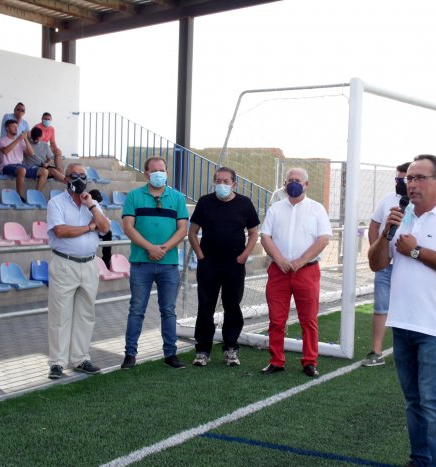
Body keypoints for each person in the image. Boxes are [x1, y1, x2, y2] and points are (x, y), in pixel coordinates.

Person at [368, 154, 436, 467]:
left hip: (434, 328)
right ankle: (419, 464)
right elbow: (376, 263)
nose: (411, 184)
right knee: (413, 401)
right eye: (409, 178)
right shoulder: (401, 218)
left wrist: (415, 251)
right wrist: (387, 232)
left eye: (419, 178)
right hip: (402, 323)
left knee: (433, 403)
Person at [259, 167, 333, 377]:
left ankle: (310, 361)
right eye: (290, 180)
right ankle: (276, 361)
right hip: (279, 271)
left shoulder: (317, 209)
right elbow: (265, 237)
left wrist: (301, 261)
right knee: (276, 319)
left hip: (307, 271)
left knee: (308, 320)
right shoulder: (275, 209)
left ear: (306, 184)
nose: (293, 183)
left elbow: (323, 239)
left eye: (298, 180)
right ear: (284, 184)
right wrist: (280, 260)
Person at [120, 156, 189, 370]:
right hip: (141, 263)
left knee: (168, 310)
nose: (159, 173)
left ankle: (170, 354)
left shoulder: (177, 198)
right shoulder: (134, 196)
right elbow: (128, 228)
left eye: (162, 170)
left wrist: (163, 249)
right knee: (136, 309)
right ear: (146, 174)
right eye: (154, 170)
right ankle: (130, 354)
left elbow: (183, 230)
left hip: (169, 265)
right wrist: (150, 248)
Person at [188, 166, 260, 367]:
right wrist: (200, 256)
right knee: (205, 307)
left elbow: (254, 233)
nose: (221, 185)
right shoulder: (205, 202)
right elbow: (192, 232)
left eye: (226, 181)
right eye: (218, 181)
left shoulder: (244, 203)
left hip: (234, 265)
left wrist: (243, 256)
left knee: (232, 306)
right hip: (208, 265)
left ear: (234, 184)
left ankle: (230, 349)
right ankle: (203, 350)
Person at [46, 163, 110, 379]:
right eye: (74, 175)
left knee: (86, 314)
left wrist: (91, 206)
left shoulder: (92, 203)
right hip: (65, 263)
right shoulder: (56, 203)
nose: (79, 180)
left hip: (89, 264)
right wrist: (89, 227)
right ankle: (57, 362)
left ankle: (80, 358)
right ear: (66, 179)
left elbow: (105, 228)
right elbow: (60, 231)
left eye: (83, 176)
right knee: (60, 314)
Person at [362, 162, 411, 367]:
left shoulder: (422, 204)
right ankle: (376, 351)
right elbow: (374, 225)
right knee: (381, 307)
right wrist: (377, 249)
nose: (400, 182)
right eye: (398, 178)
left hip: (410, 265)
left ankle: (409, 352)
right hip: (386, 265)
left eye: (404, 178)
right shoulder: (387, 200)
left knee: (409, 307)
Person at [0, 119, 36, 200]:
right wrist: (18, 139)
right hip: (6, 166)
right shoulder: (1, 140)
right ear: (7, 128)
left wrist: (25, 139)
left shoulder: (21, 141)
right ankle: (19, 196)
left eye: (17, 127)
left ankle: (35, 195)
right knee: (22, 170)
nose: (16, 129)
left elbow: (32, 153)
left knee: (44, 172)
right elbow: (5, 151)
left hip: (20, 165)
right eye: (13, 126)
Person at [88, 189, 112, 268]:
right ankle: (106, 260)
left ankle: (106, 259)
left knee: (108, 232)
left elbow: (105, 221)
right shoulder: (90, 204)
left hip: (96, 229)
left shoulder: (97, 206)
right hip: (88, 230)